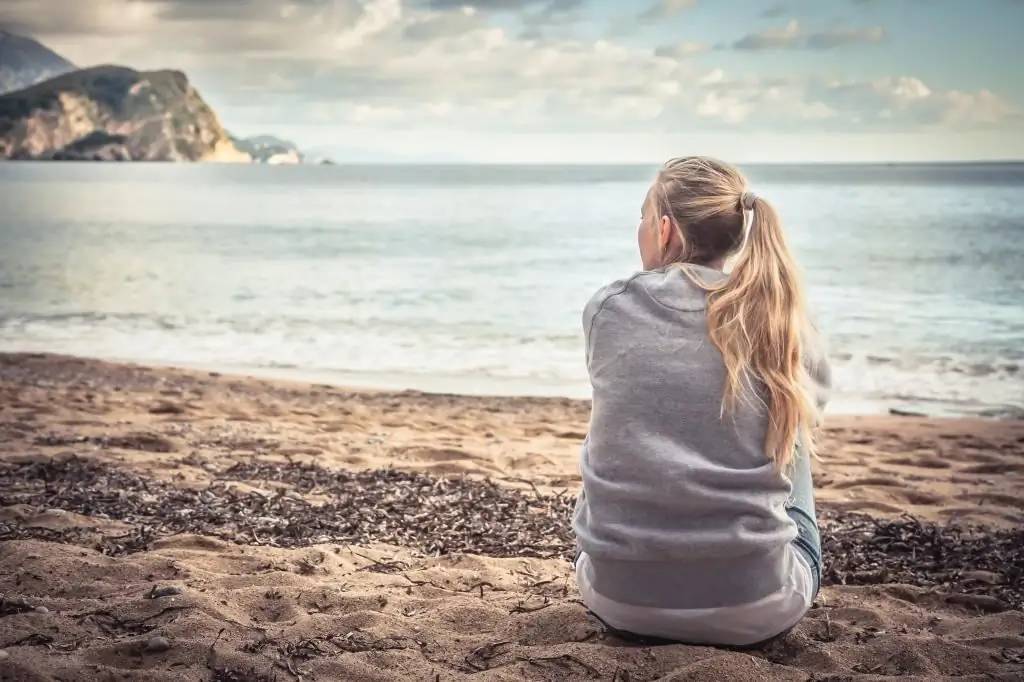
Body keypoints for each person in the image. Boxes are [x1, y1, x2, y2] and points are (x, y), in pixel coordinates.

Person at [572, 156, 831, 648]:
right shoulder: (782, 318)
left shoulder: (608, 307)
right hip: (759, 608)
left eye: (644, 219)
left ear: (665, 230)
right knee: (790, 429)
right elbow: (812, 413)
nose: (643, 230)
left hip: (618, 599)